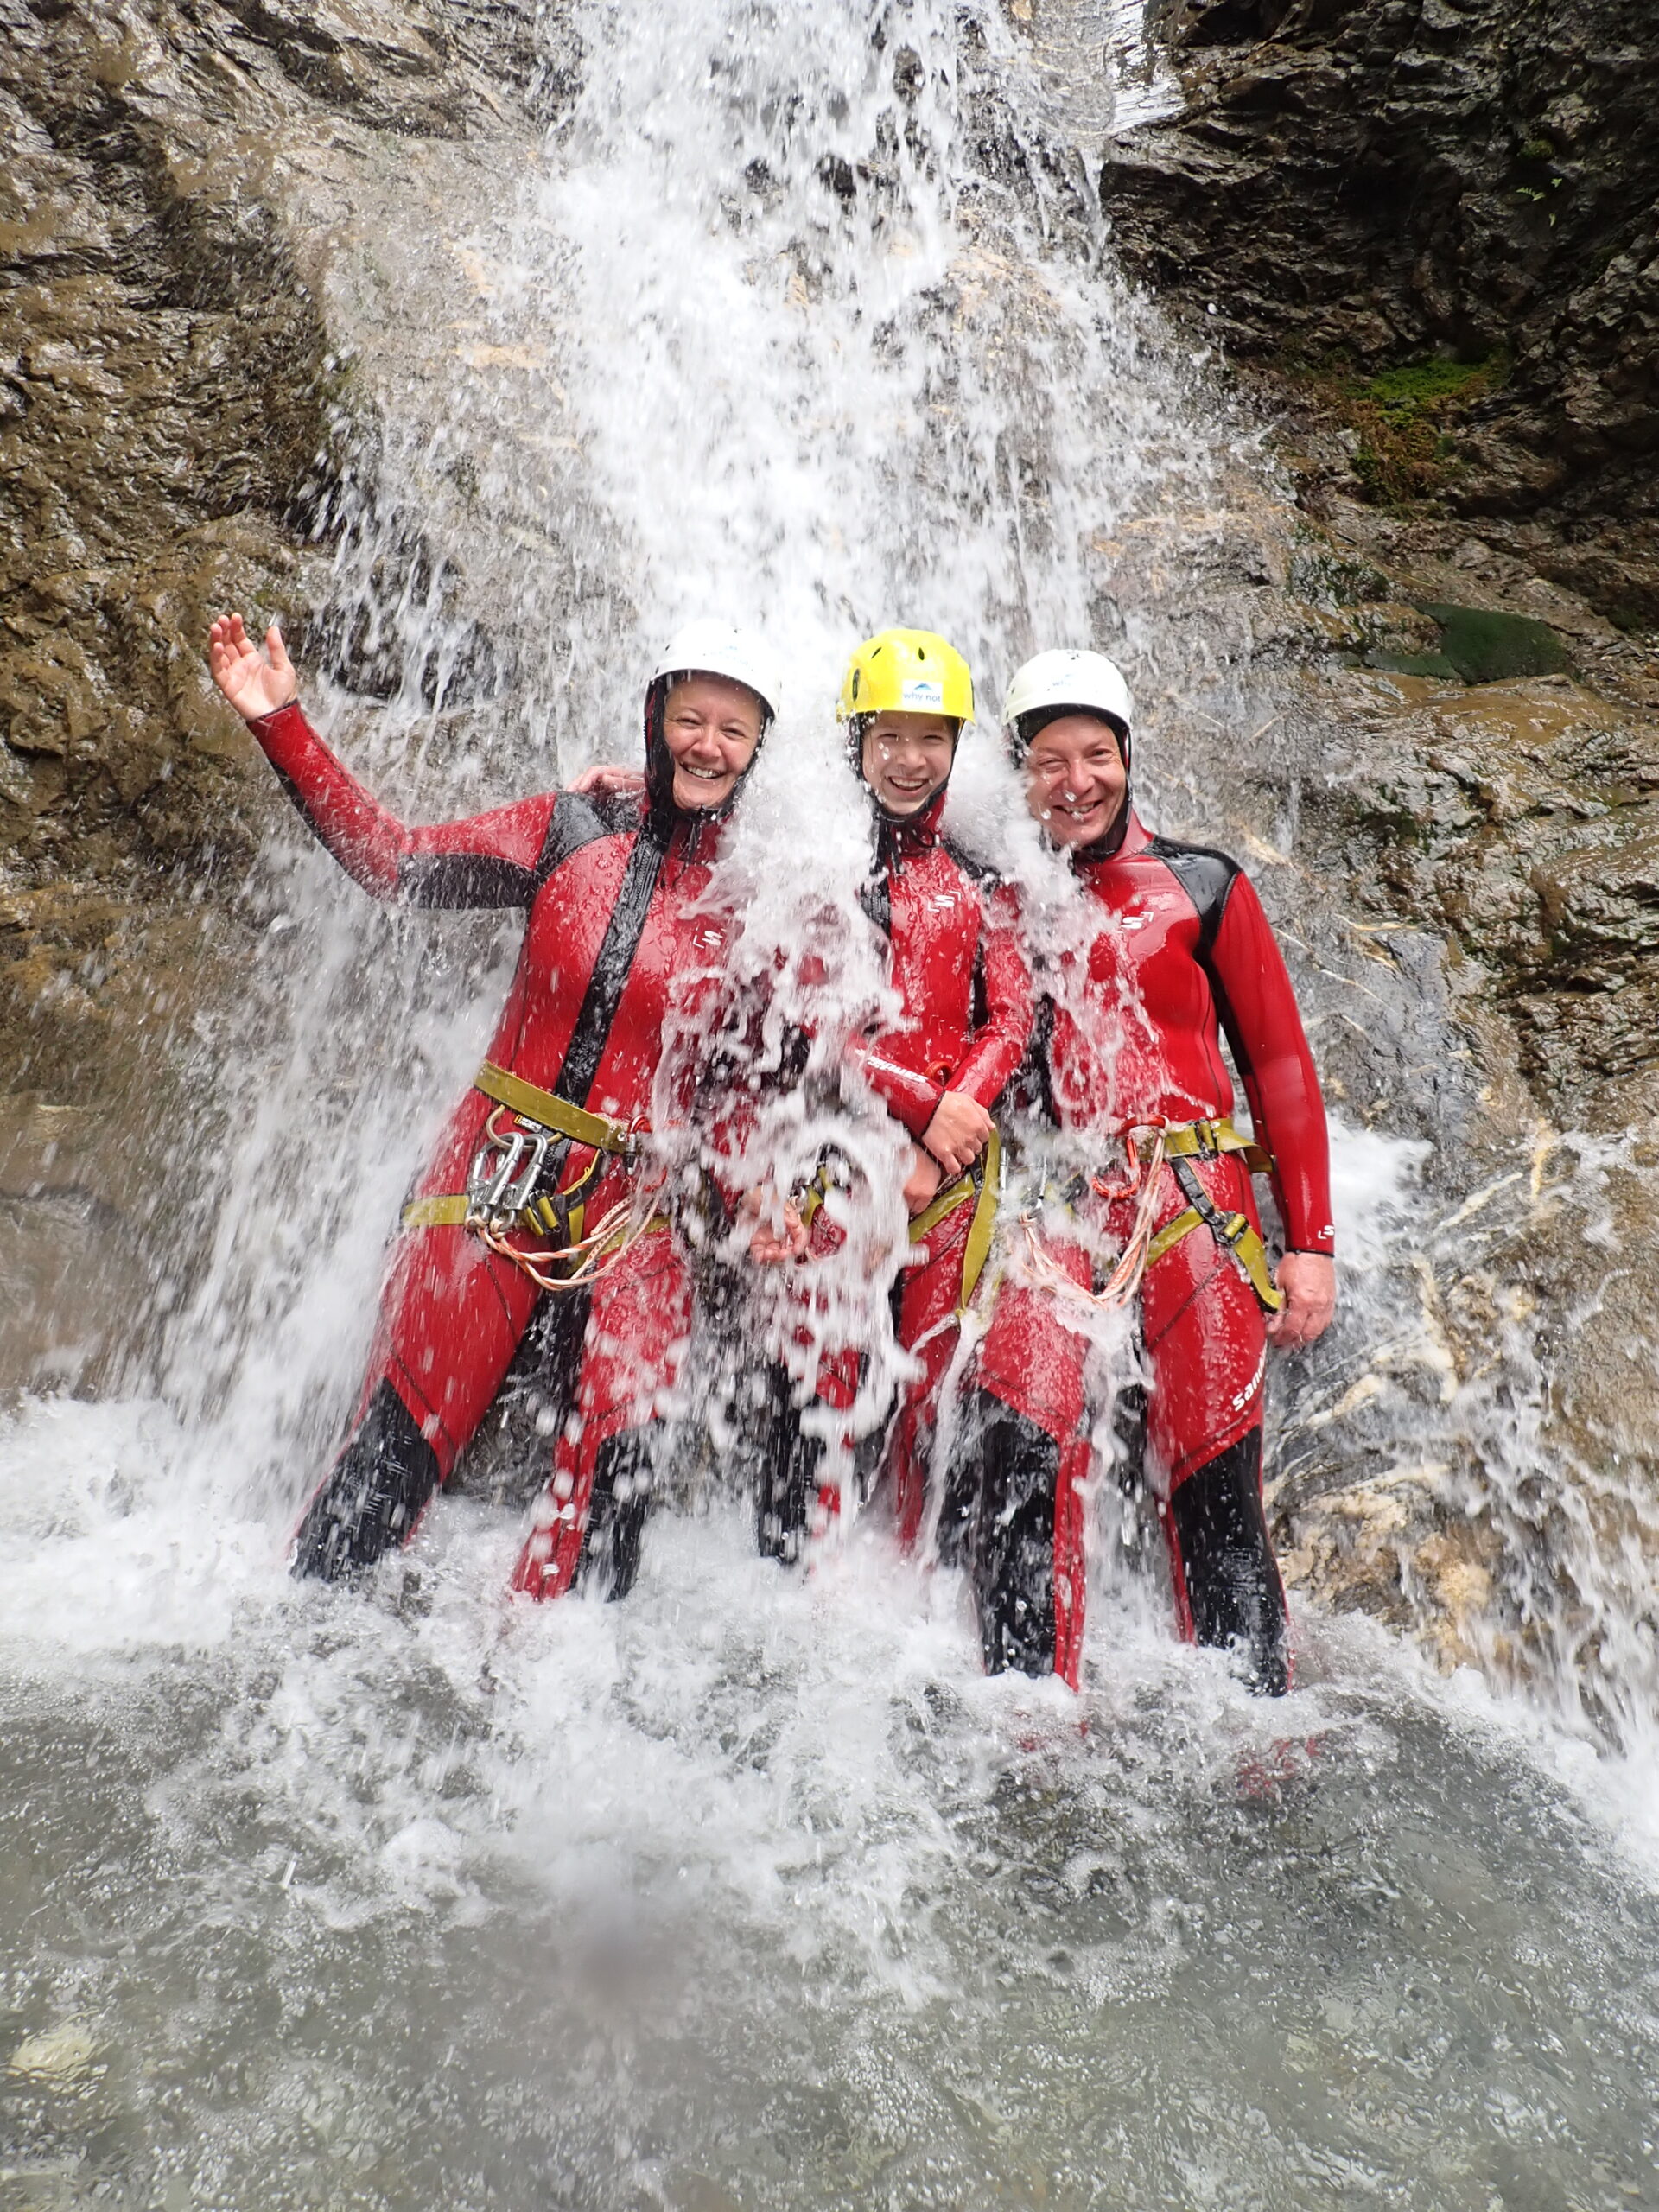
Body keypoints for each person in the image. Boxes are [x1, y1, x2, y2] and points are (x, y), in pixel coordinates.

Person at [207, 611, 791, 1597]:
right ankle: (294, 1664)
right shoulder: (565, 829)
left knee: (618, 1500)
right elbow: (392, 861)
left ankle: (541, 1695)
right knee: (393, 1461)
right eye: (693, 719)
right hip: (496, 1169)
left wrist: (766, 1197)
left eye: (734, 731)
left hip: (636, 1210)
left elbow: (739, 1088)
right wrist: (281, 720)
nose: (709, 745)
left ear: (758, 751)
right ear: (657, 720)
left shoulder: (756, 901)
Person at [949, 649, 1336, 1693]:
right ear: (1018, 773)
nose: (1076, 782)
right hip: (1056, 1201)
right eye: (1049, 762)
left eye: (1097, 757)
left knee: (1217, 1481)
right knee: (1018, 1457)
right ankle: (1027, 1714)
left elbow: (1282, 1068)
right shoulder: (998, 896)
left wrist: (1310, 1246)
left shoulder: (1203, 883)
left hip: (1194, 1206)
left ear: (1127, 759)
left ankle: (1255, 1732)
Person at [755, 628, 1033, 1561]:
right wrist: (924, 1109)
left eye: (931, 740)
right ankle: (793, 1577)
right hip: (836, 1157)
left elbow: (1012, 1020)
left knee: (933, 1393)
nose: (911, 761)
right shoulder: (823, 871)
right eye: (890, 739)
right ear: (856, 743)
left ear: (957, 748)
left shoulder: (980, 877)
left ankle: (918, 1600)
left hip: (948, 1171)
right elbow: (810, 1023)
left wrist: (948, 1128)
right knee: (816, 1383)